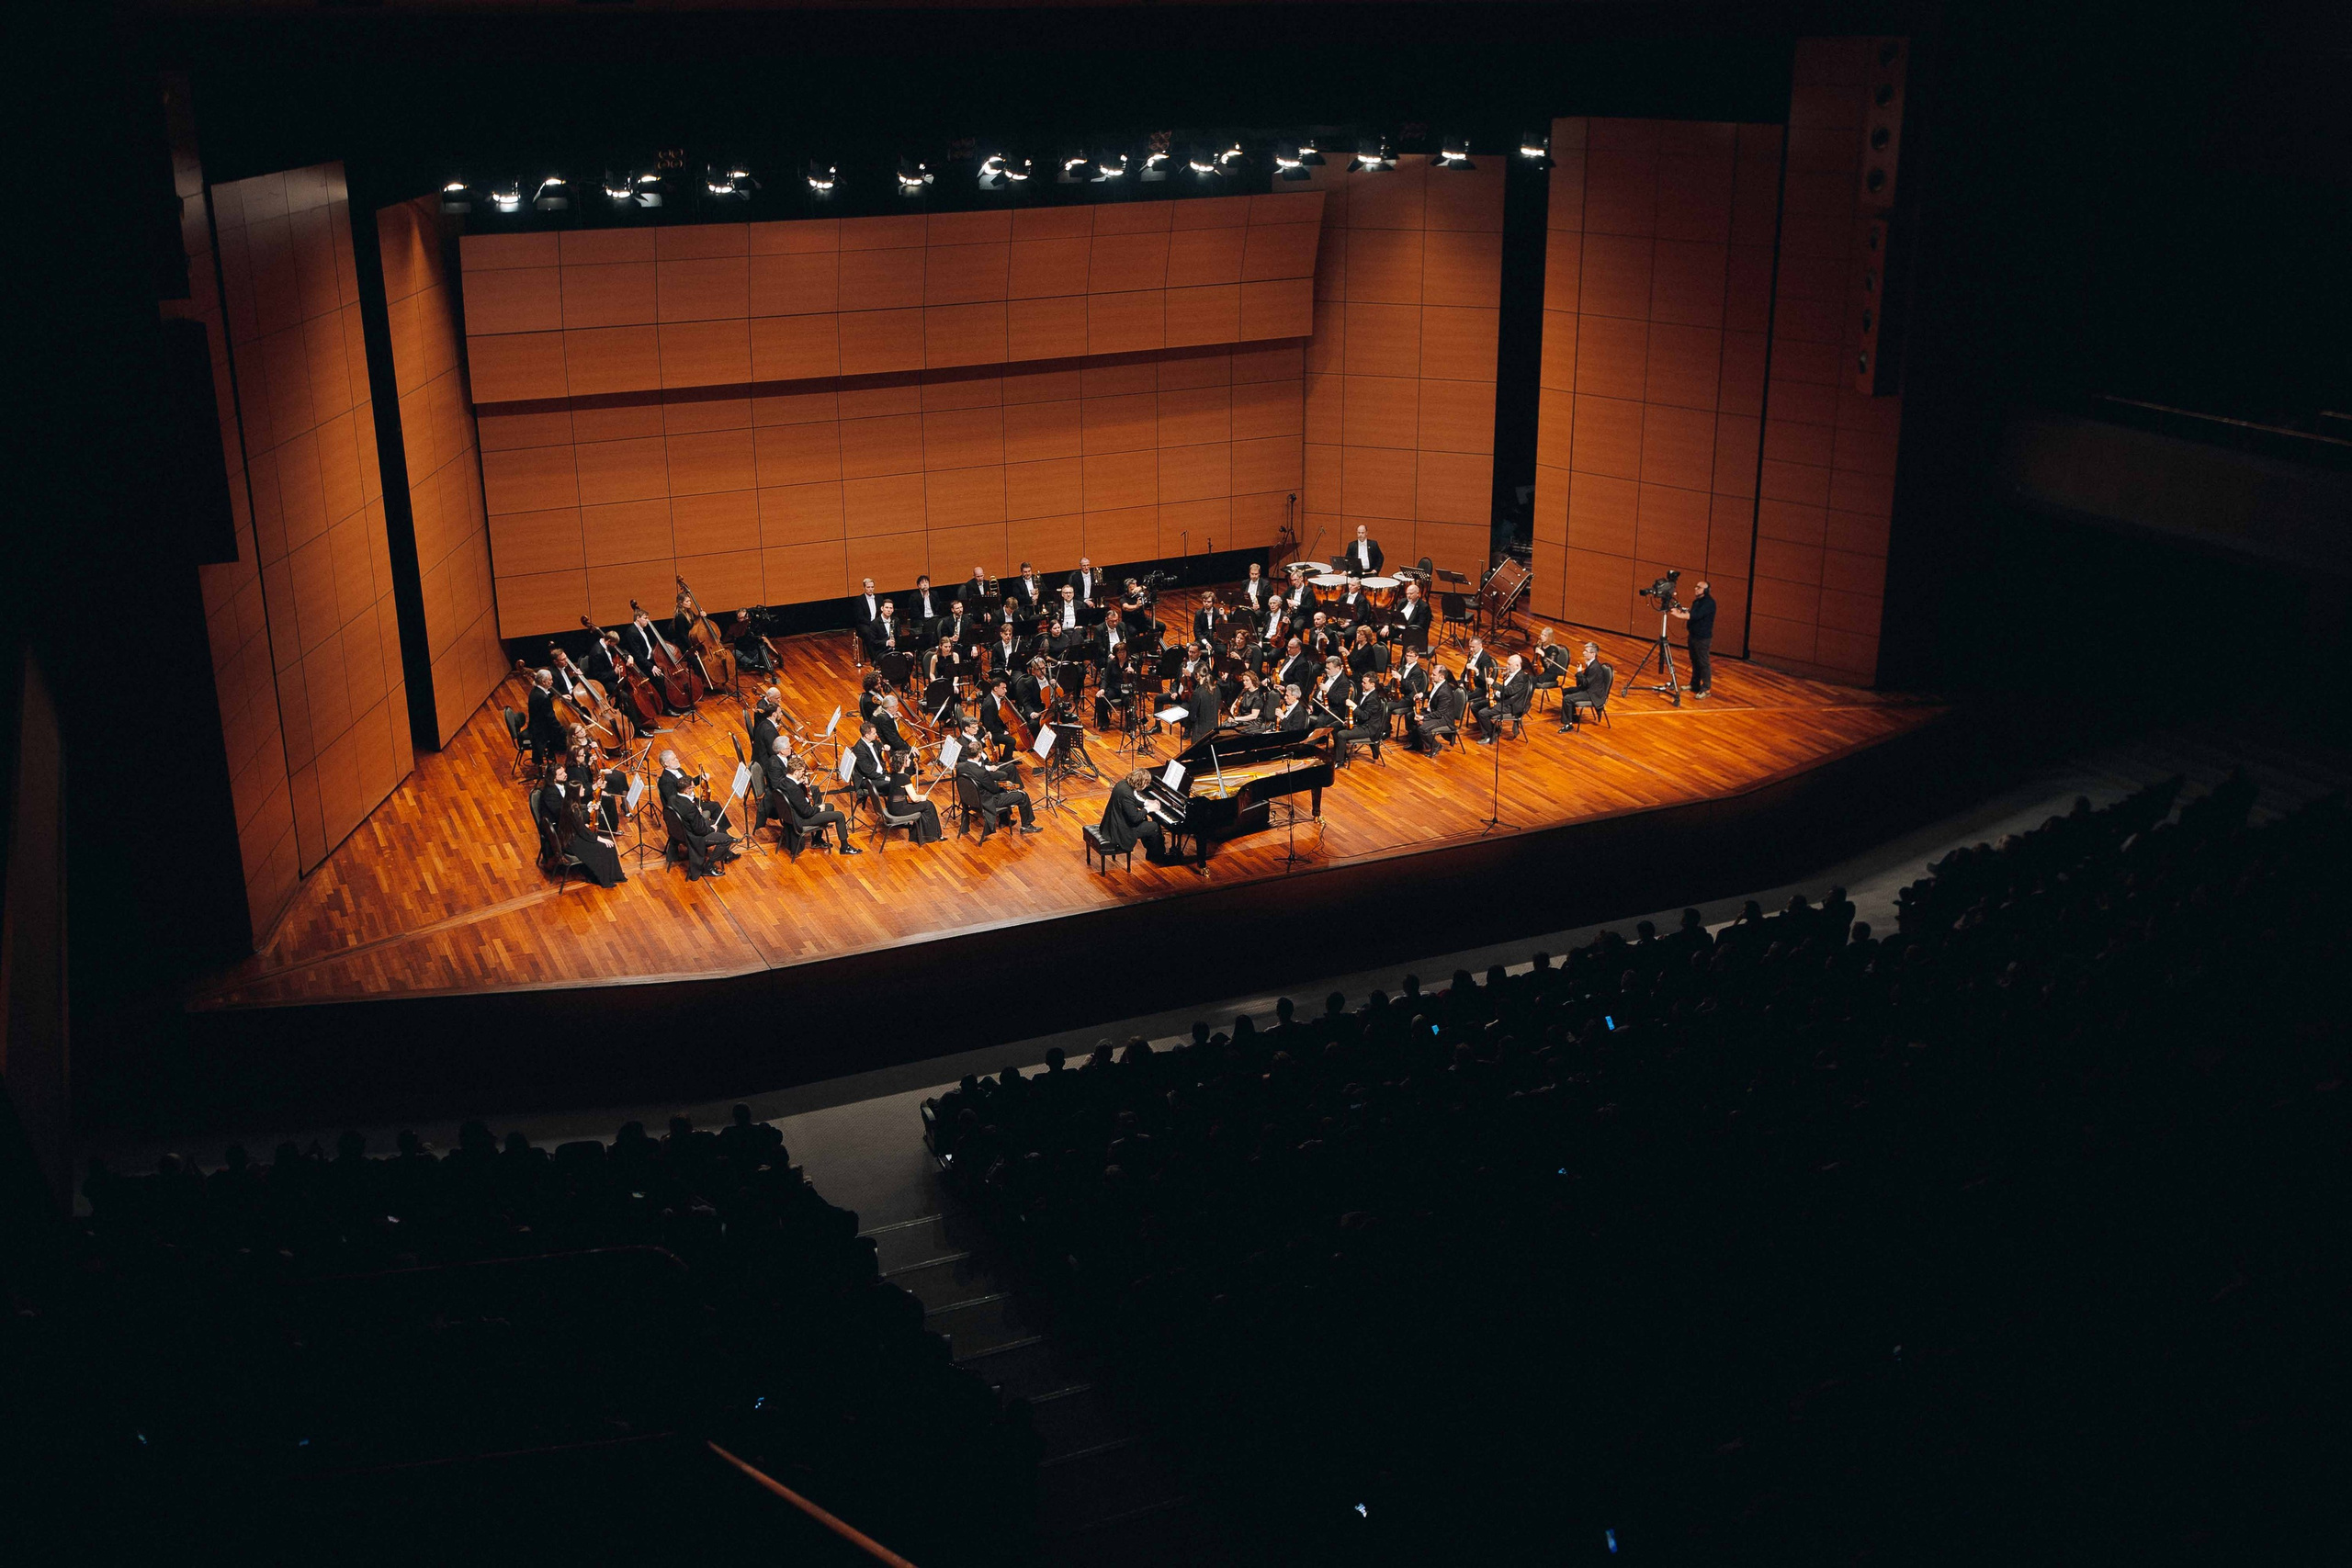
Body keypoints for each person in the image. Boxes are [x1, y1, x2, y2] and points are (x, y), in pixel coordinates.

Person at [656, 749, 736, 878]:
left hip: (691, 803)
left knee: (715, 806)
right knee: (718, 830)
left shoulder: (680, 771)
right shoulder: (666, 781)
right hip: (690, 819)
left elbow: (687, 785)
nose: (677, 760)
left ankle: (726, 846)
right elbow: (677, 803)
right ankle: (710, 863)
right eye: (674, 759)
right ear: (666, 764)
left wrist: (700, 779)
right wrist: (710, 826)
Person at [955, 722, 1040, 839]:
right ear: (979, 755)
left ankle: (1004, 820)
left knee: (1005, 786)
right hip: (987, 801)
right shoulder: (982, 772)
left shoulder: (960, 767)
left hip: (972, 799)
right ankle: (1026, 825)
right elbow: (994, 789)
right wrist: (1004, 785)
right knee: (1023, 795)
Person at [553, 766, 626, 887]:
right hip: (573, 842)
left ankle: (615, 875)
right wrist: (599, 838)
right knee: (604, 847)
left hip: (574, 835)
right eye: (581, 789)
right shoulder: (572, 809)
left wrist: (589, 808)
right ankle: (603, 878)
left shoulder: (571, 803)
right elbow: (581, 829)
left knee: (609, 846)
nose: (584, 790)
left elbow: (580, 814)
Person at [778, 757, 859, 853]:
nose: (803, 774)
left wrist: (802, 785)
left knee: (829, 807)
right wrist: (818, 809)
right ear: (796, 772)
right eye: (802, 772)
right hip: (800, 819)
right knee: (840, 815)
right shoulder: (794, 790)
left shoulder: (784, 782)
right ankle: (845, 847)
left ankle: (817, 840)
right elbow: (806, 812)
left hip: (792, 816)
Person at [1099, 767, 1166, 861]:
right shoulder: (1127, 794)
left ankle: (1152, 852)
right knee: (1154, 827)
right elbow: (1134, 818)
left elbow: (1131, 803)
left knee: (1145, 819)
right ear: (1141, 782)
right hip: (1120, 831)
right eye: (1146, 783)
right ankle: (1156, 856)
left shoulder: (1122, 784)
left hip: (1110, 825)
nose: (1147, 786)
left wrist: (1145, 803)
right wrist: (1148, 809)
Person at [1471, 653, 1533, 742]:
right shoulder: (1512, 673)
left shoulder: (1521, 678)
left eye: (1509, 664)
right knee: (1474, 707)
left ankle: (1490, 736)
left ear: (1517, 665)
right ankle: (1493, 729)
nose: (1506, 666)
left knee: (1483, 713)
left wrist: (1493, 684)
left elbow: (1509, 691)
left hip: (1510, 705)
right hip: (1502, 699)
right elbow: (1504, 689)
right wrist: (1493, 694)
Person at [1670, 578, 1715, 698]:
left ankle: (1706, 689)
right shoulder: (1697, 602)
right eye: (1696, 586)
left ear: (1706, 591)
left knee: (1703, 662)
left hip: (1702, 638)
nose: (1696, 589)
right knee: (1695, 661)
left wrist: (1680, 615)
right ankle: (1694, 684)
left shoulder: (1709, 603)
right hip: (1693, 635)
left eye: (1699, 587)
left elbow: (1696, 615)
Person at [1335, 673, 1388, 765]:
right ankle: (1343, 754)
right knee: (1335, 726)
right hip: (1362, 724)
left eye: (1364, 683)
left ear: (1372, 684)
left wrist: (1354, 706)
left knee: (1341, 734)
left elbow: (1364, 716)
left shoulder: (1374, 699)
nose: (1362, 684)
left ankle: (1340, 762)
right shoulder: (1366, 694)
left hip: (1369, 729)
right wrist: (1349, 720)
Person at [1559, 641, 1614, 731]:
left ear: (1593, 654)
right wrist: (1579, 674)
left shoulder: (1594, 667)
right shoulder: (1590, 664)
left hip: (1593, 694)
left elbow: (1585, 683)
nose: (1583, 653)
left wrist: (1579, 673)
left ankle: (1568, 724)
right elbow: (1583, 683)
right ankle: (1573, 716)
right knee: (1566, 691)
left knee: (1567, 699)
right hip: (1589, 689)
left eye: (1586, 651)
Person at [1414, 665, 1464, 752]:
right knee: (1411, 716)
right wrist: (1423, 694)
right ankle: (1416, 743)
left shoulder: (1445, 692)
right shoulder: (1438, 684)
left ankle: (1436, 746)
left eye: (1434, 675)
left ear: (1441, 677)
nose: (1431, 676)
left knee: (1423, 728)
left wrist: (1423, 717)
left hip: (1443, 718)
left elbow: (1440, 713)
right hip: (1434, 712)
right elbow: (1433, 695)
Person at [526, 669, 565, 764]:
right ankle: (559, 760)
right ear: (543, 682)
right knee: (564, 738)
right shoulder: (542, 697)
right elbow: (551, 720)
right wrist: (563, 730)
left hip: (535, 726)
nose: (552, 682)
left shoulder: (535, 691)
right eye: (550, 680)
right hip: (540, 731)